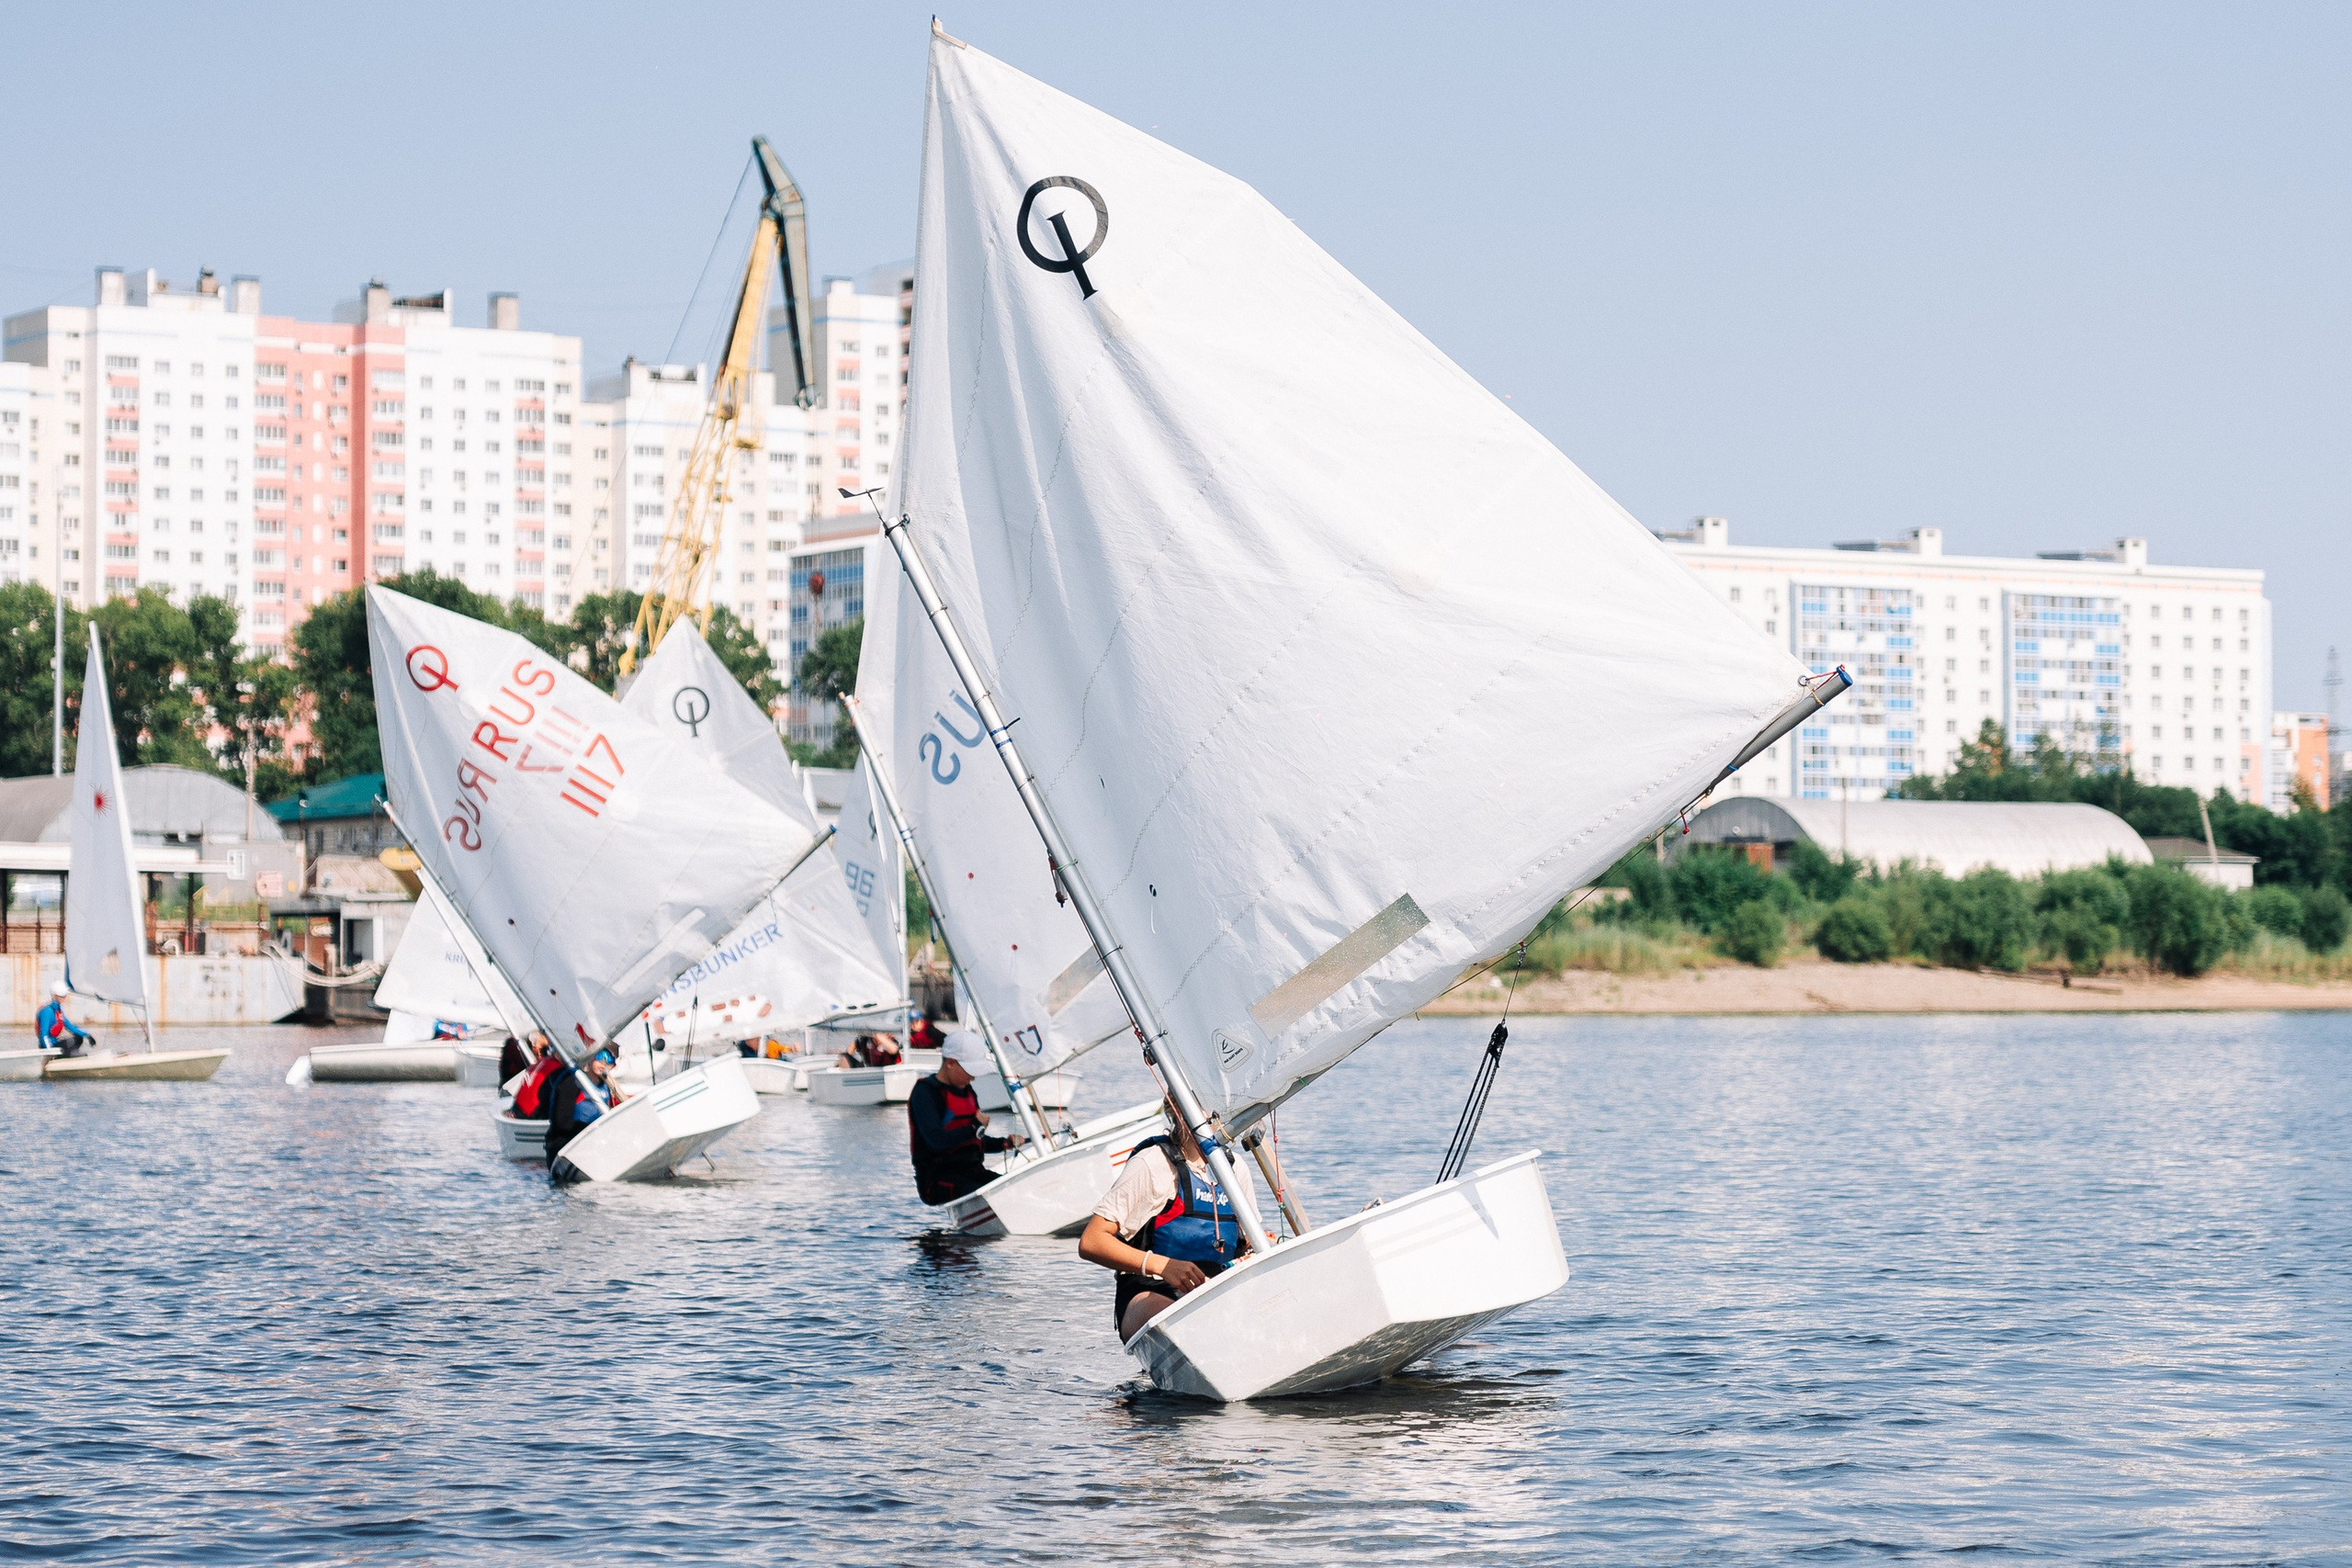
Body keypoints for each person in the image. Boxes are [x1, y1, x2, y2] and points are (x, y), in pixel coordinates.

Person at [1079, 1100, 1249, 1341]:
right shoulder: (1152, 1163)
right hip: (1151, 1290)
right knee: (1195, 1326)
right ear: (1178, 1111)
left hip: (1216, 1291)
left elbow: (1243, 1238)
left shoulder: (1234, 1168)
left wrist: (1258, 1244)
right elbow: (1091, 1242)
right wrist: (1163, 1265)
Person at [907, 1031, 1025, 1205]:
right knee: (986, 1194)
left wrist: (1003, 1143)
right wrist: (974, 1125)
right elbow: (936, 1141)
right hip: (936, 1180)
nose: (973, 1077)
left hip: (971, 1172)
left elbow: (973, 1141)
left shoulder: (968, 1092)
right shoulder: (925, 1093)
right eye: (969, 1070)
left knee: (1015, 1190)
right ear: (950, 1063)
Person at [544, 1045, 628, 1181]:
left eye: (609, 1059)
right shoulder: (572, 1081)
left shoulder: (606, 1084)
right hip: (565, 1145)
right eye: (600, 1057)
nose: (604, 1063)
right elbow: (561, 1122)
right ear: (590, 1059)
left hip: (595, 1143)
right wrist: (591, 1130)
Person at [35, 982, 93, 1058]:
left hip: (55, 1043)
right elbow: (44, 1035)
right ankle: (63, 1057)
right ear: (54, 996)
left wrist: (87, 1035)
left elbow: (70, 1026)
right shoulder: (47, 1011)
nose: (64, 998)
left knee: (78, 1037)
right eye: (62, 996)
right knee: (68, 1043)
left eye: (65, 996)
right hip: (48, 1046)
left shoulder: (58, 1010)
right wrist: (49, 1051)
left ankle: (69, 1055)